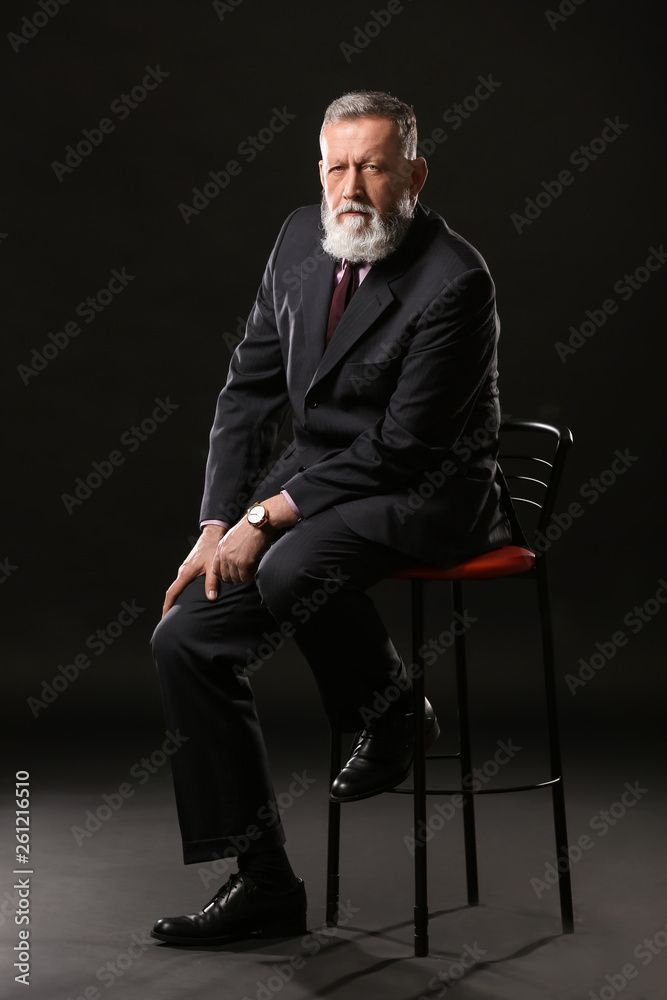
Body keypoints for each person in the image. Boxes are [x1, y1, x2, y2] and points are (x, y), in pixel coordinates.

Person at [150, 91, 517, 947]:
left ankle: (392, 710)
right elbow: (247, 390)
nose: (351, 187)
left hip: (426, 491)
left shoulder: (455, 280)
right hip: (321, 487)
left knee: (287, 564)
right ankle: (263, 884)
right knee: (184, 640)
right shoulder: (295, 240)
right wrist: (216, 524)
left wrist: (267, 516)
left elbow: (402, 446)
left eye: (374, 167)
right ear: (320, 169)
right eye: (337, 167)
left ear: (414, 175)